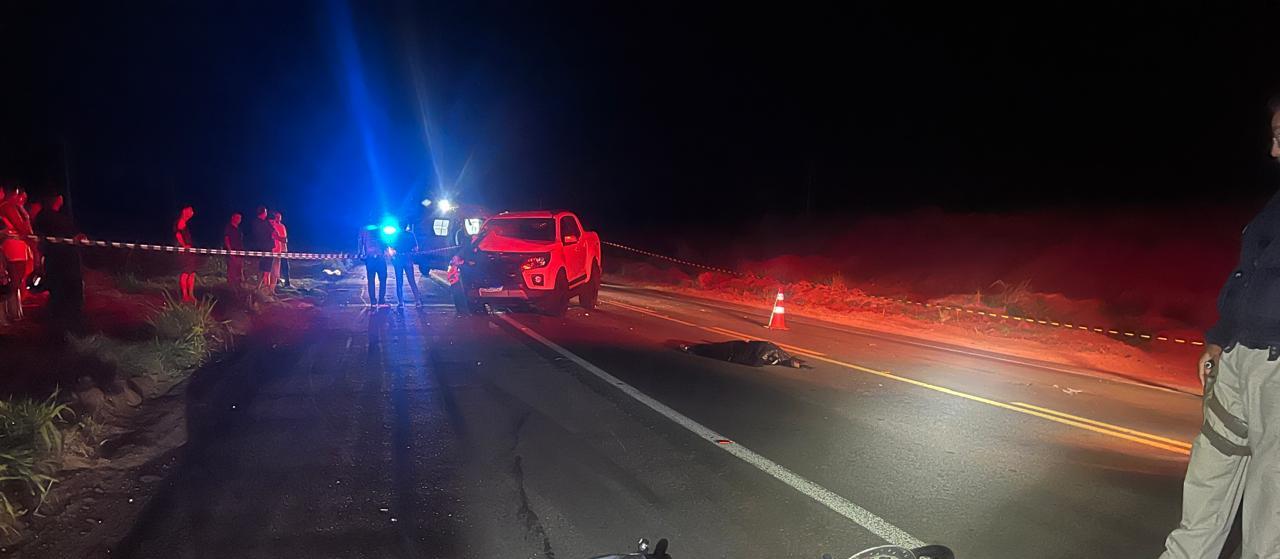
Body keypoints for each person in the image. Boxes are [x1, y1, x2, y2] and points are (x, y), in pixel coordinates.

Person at [1159, 96, 1280, 558]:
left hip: (1275, 368)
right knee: (1208, 477)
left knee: (1271, 508)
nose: (1272, 152)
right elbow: (1249, 276)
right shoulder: (1274, 206)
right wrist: (1219, 338)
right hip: (1238, 359)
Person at [32, 194, 85, 325]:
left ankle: (57, 320)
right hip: (65, 261)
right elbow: (67, 238)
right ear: (58, 199)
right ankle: (69, 322)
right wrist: (75, 239)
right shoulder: (55, 218)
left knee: (56, 291)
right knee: (68, 293)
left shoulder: (40, 217)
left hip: (52, 260)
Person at [679, 340, 806, 368]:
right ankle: (691, 349)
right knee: (711, 351)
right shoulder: (772, 353)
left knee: (712, 349)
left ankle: (691, 348)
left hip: (736, 347)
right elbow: (755, 362)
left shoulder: (779, 353)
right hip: (733, 352)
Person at [247, 206, 275, 295]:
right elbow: (272, 232)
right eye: (266, 212)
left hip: (262, 248)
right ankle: (261, 288)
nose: (266, 214)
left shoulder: (257, 223)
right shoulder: (262, 223)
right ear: (263, 213)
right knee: (264, 269)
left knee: (264, 270)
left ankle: (261, 287)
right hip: (264, 249)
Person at [357, 226, 388, 308]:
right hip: (380, 257)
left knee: (371, 280)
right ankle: (381, 300)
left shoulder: (363, 230)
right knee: (382, 279)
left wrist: (360, 253)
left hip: (370, 258)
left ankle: (373, 301)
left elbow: (360, 242)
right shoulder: (381, 229)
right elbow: (385, 242)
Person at [392, 223, 421, 307]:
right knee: (411, 280)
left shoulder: (396, 235)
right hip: (408, 259)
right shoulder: (410, 234)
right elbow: (416, 248)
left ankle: (400, 301)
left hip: (398, 259)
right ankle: (417, 300)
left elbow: (392, 247)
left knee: (399, 281)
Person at [174, 206, 197, 303]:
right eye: (190, 211)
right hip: (185, 252)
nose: (192, 213)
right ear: (184, 211)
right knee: (185, 273)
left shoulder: (185, 223)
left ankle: (191, 295)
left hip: (189, 251)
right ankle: (185, 296)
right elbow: (178, 234)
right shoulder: (180, 222)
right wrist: (184, 246)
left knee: (191, 273)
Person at [224, 213, 244, 288]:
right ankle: (230, 288)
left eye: (240, 218)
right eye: (237, 217)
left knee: (239, 270)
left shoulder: (239, 229)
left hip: (240, 252)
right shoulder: (229, 227)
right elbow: (226, 239)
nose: (239, 219)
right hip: (232, 252)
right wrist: (230, 250)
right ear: (233, 217)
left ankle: (238, 286)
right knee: (232, 270)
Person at [270, 211, 289, 288]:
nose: (278, 218)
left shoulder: (282, 226)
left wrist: (277, 237)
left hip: (283, 249)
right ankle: (276, 282)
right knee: (274, 267)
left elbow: (284, 239)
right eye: (276, 216)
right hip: (274, 249)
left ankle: (287, 282)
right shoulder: (271, 225)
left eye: (279, 217)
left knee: (284, 266)